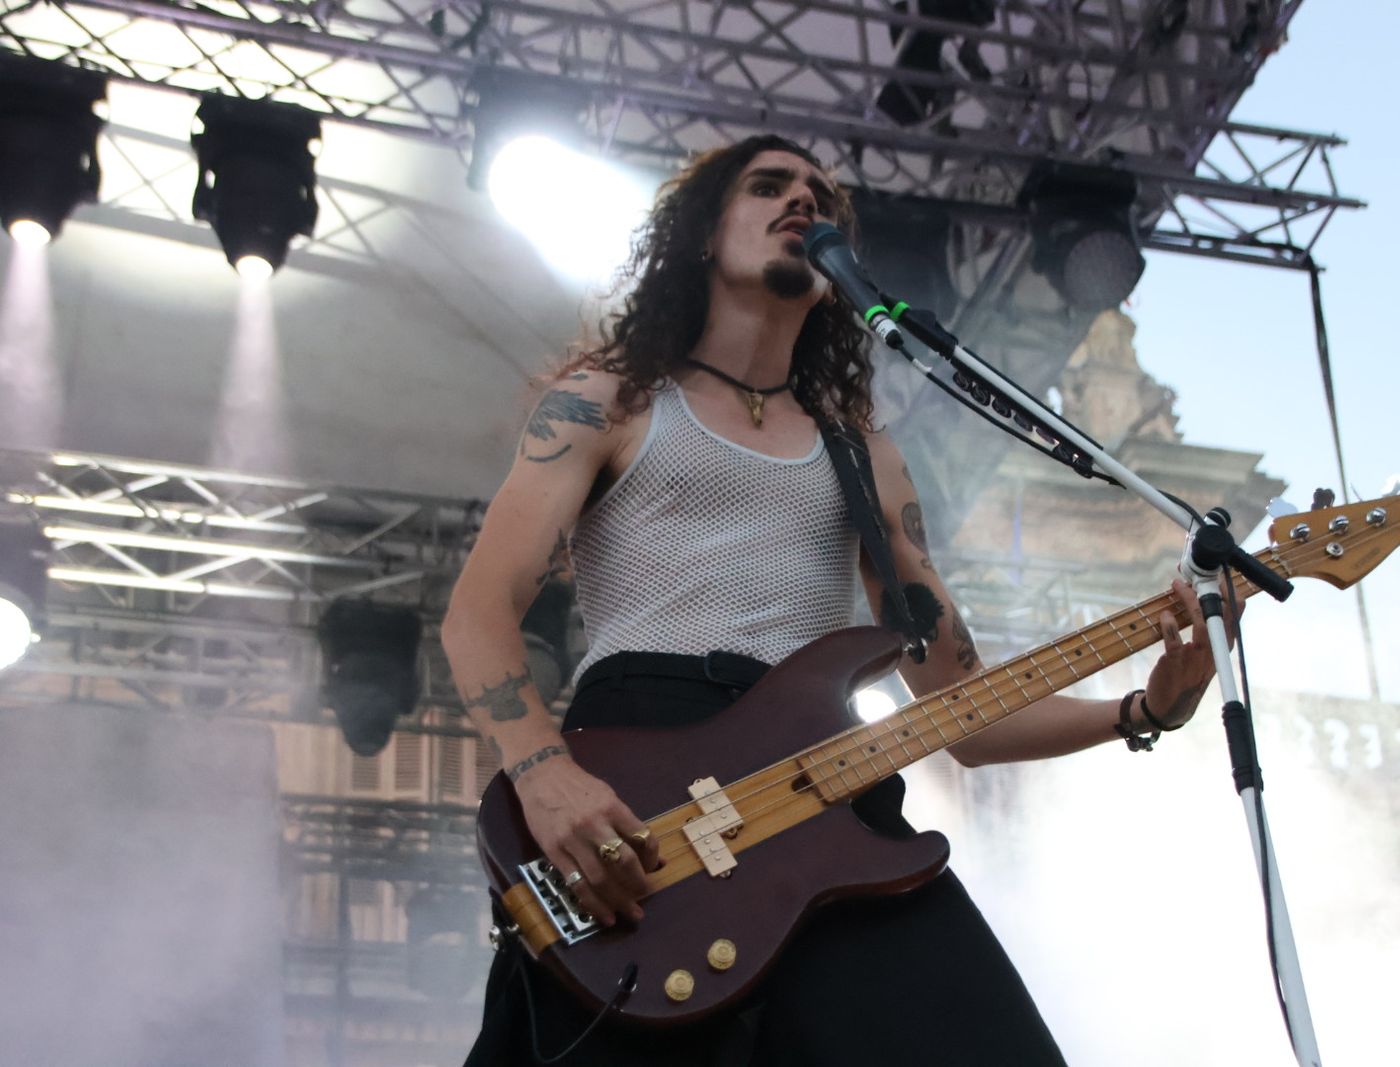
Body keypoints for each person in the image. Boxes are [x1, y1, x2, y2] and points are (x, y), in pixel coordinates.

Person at [441, 134, 1226, 1066]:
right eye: (768, 186)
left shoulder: (864, 453)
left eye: (819, 196)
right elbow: (479, 611)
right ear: (703, 235)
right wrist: (544, 774)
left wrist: (1141, 710)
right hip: (644, 783)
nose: (802, 201)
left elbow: (961, 705)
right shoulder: (606, 399)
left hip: (825, 796)